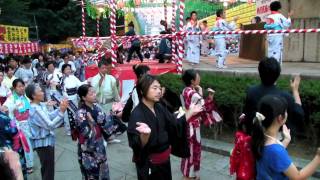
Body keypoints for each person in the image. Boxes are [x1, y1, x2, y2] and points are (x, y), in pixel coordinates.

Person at [127, 74, 203, 180]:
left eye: (159, 87)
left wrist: (190, 112)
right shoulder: (137, 114)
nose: (159, 91)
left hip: (165, 162)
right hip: (150, 166)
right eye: (154, 88)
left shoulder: (159, 107)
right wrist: (145, 135)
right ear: (142, 91)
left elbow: (174, 124)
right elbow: (136, 145)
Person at [252, 95, 320, 179]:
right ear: (280, 118)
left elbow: (271, 157)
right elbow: (297, 177)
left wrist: (285, 141)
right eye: (286, 111)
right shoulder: (276, 150)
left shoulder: (260, 137)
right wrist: (318, 157)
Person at [243, 57, 304, 138]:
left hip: (254, 138)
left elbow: (247, 115)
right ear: (278, 74)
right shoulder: (284, 97)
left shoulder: (251, 92)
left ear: (259, 72)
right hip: (275, 139)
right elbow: (299, 114)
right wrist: (295, 91)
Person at [26, 84, 68, 180]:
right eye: (40, 91)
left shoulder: (39, 105)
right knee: (48, 170)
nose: (43, 92)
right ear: (33, 95)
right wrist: (61, 112)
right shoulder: (35, 109)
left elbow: (48, 116)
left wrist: (59, 109)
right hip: (43, 144)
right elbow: (50, 125)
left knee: (47, 168)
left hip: (46, 142)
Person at [76, 84, 114, 180]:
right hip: (88, 148)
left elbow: (105, 123)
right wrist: (93, 122)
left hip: (99, 145)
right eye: (91, 93)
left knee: (104, 171)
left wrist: (112, 114)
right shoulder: (80, 113)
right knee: (92, 173)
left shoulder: (96, 107)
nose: (94, 94)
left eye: (94, 92)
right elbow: (86, 133)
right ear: (83, 97)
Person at [180, 69, 213, 180]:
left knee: (189, 150)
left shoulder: (186, 90)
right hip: (192, 127)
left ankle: (189, 173)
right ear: (192, 81)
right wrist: (209, 97)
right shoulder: (194, 94)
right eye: (197, 77)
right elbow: (204, 109)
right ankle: (188, 175)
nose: (199, 79)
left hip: (188, 123)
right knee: (193, 150)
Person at [3, 79, 34, 174]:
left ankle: (26, 163)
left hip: (29, 123)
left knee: (29, 144)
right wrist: (12, 122)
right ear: (14, 88)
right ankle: (29, 165)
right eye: (19, 86)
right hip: (19, 125)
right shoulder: (12, 98)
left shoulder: (26, 97)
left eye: (22, 86)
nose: (21, 88)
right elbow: (4, 109)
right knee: (26, 144)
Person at [60, 64, 84, 135]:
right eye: (67, 69)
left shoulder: (73, 77)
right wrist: (67, 98)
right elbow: (63, 90)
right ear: (63, 71)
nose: (68, 70)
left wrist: (86, 82)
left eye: (69, 69)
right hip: (67, 99)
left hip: (75, 97)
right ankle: (69, 130)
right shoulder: (62, 79)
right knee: (68, 115)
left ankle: (77, 129)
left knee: (76, 113)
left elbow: (80, 84)